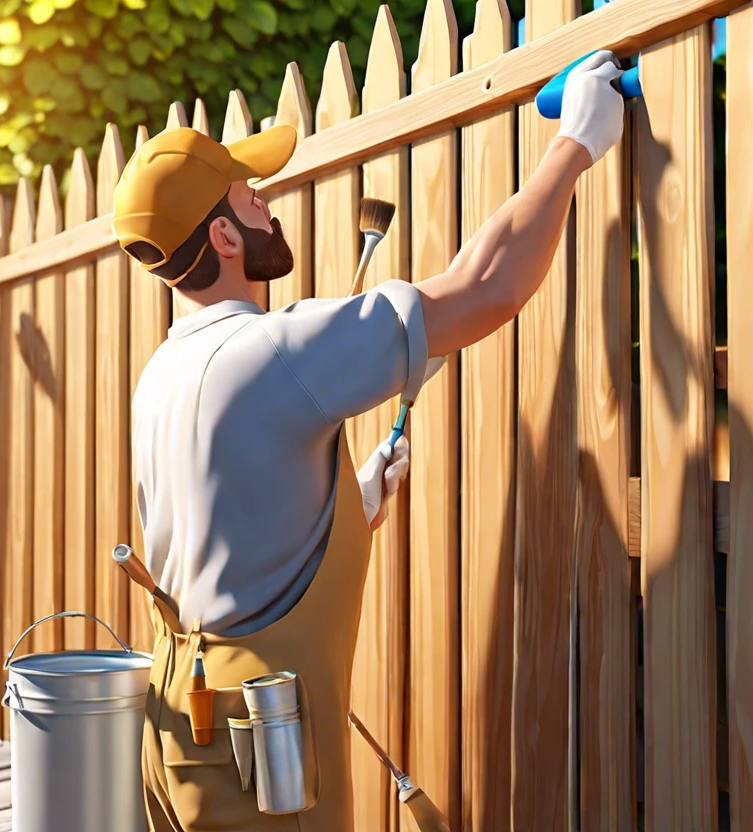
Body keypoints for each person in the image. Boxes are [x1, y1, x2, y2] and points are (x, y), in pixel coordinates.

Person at [111, 49, 626, 832]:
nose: (267, 204)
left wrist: (350, 503)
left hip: (178, 727)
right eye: (251, 197)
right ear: (221, 236)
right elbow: (486, 287)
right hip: (257, 749)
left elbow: (224, 537)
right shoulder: (275, 350)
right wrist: (577, 141)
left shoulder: (163, 373)